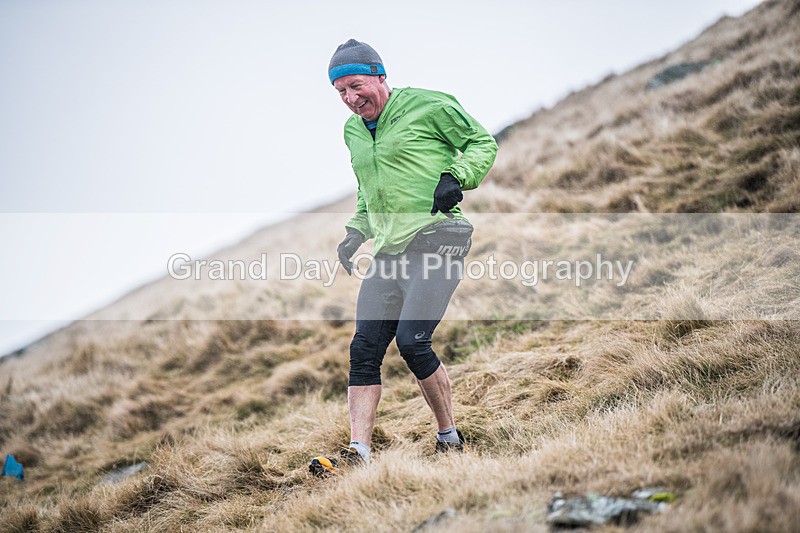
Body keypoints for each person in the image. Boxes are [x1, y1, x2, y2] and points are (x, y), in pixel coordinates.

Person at [310, 39, 497, 476]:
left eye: (357, 86)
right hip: (390, 249)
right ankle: (358, 454)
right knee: (363, 350)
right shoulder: (353, 131)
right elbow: (368, 187)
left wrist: (458, 176)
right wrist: (357, 231)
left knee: (413, 341)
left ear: (379, 76)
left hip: (439, 236)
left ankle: (449, 438)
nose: (351, 100)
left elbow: (481, 142)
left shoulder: (429, 106)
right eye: (340, 93)